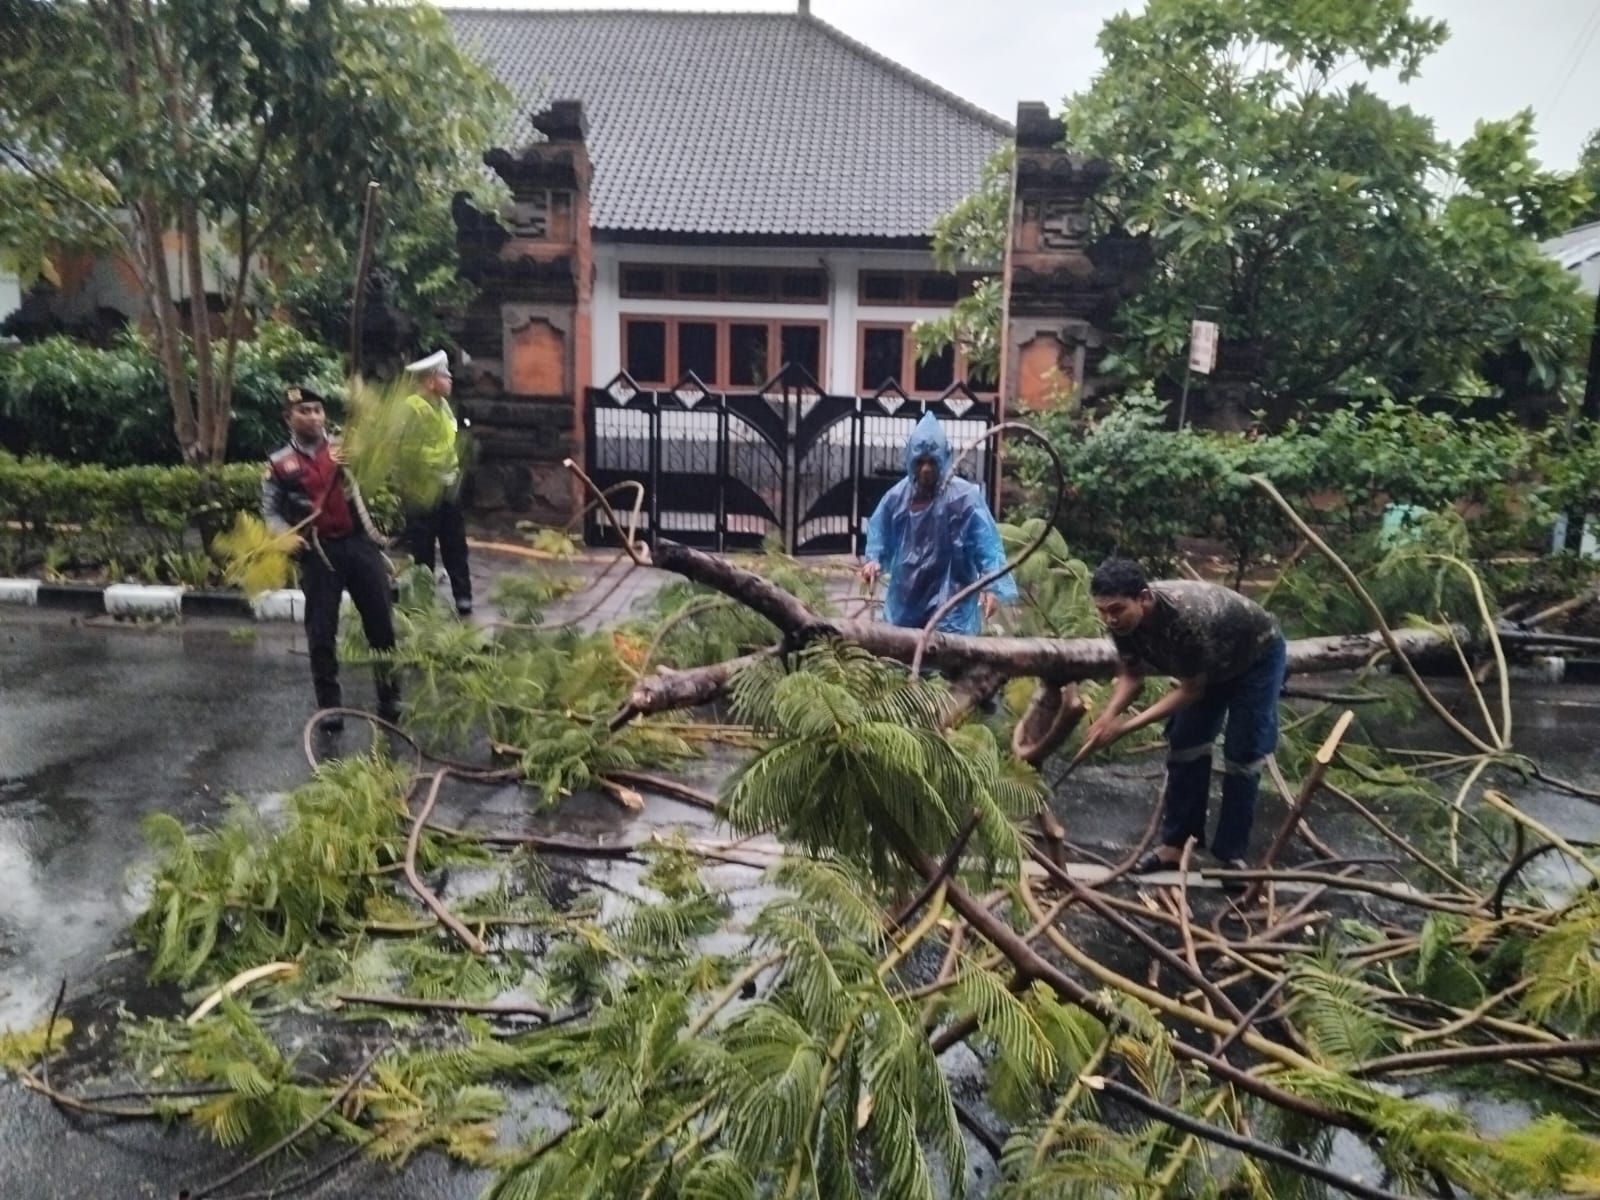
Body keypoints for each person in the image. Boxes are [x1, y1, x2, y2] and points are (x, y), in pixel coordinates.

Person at [1079, 557, 1287, 873]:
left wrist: (1126, 727)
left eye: (1117, 609)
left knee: (1242, 752)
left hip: (1255, 658)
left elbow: (1191, 691)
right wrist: (1107, 717)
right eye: (1103, 611)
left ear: (1144, 597)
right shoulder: (1122, 623)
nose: (1110, 619)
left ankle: (1229, 855)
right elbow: (1132, 675)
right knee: (1186, 741)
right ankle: (1176, 845)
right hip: (1211, 662)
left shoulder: (1184, 618)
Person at [262, 385, 400, 731]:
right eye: (304, 411)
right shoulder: (279, 464)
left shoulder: (344, 448)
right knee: (322, 632)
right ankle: (330, 706)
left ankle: (390, 696)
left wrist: (360, 462)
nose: (312, 417)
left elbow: (372, 478)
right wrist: (284, 534)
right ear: (288, 417)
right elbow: (271, 511)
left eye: (317, 410)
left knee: (381, 625)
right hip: (318, 551)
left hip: (359, 545)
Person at [859, 411, 1017, 637]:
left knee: (949, 663)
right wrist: (874, 561)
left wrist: (992, 586)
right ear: (910, 459)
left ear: (944, 457)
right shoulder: (897, 498)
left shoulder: (964, 499)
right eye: (920, 461)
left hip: (952, 604)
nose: (925, 469)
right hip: (906, 601)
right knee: (902, 660)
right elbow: (880, 533)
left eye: (932, 461)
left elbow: (987, 546)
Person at [398, 348, 472, 615]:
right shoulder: (413, 410)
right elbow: (407, 452)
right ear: (431, 380)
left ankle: (463, 596)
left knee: (456, 543)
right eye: (446, 375)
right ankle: (422, 599)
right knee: (423, 547)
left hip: (447, 486)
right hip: (422, 489)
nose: (450, 380)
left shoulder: (443, 408)